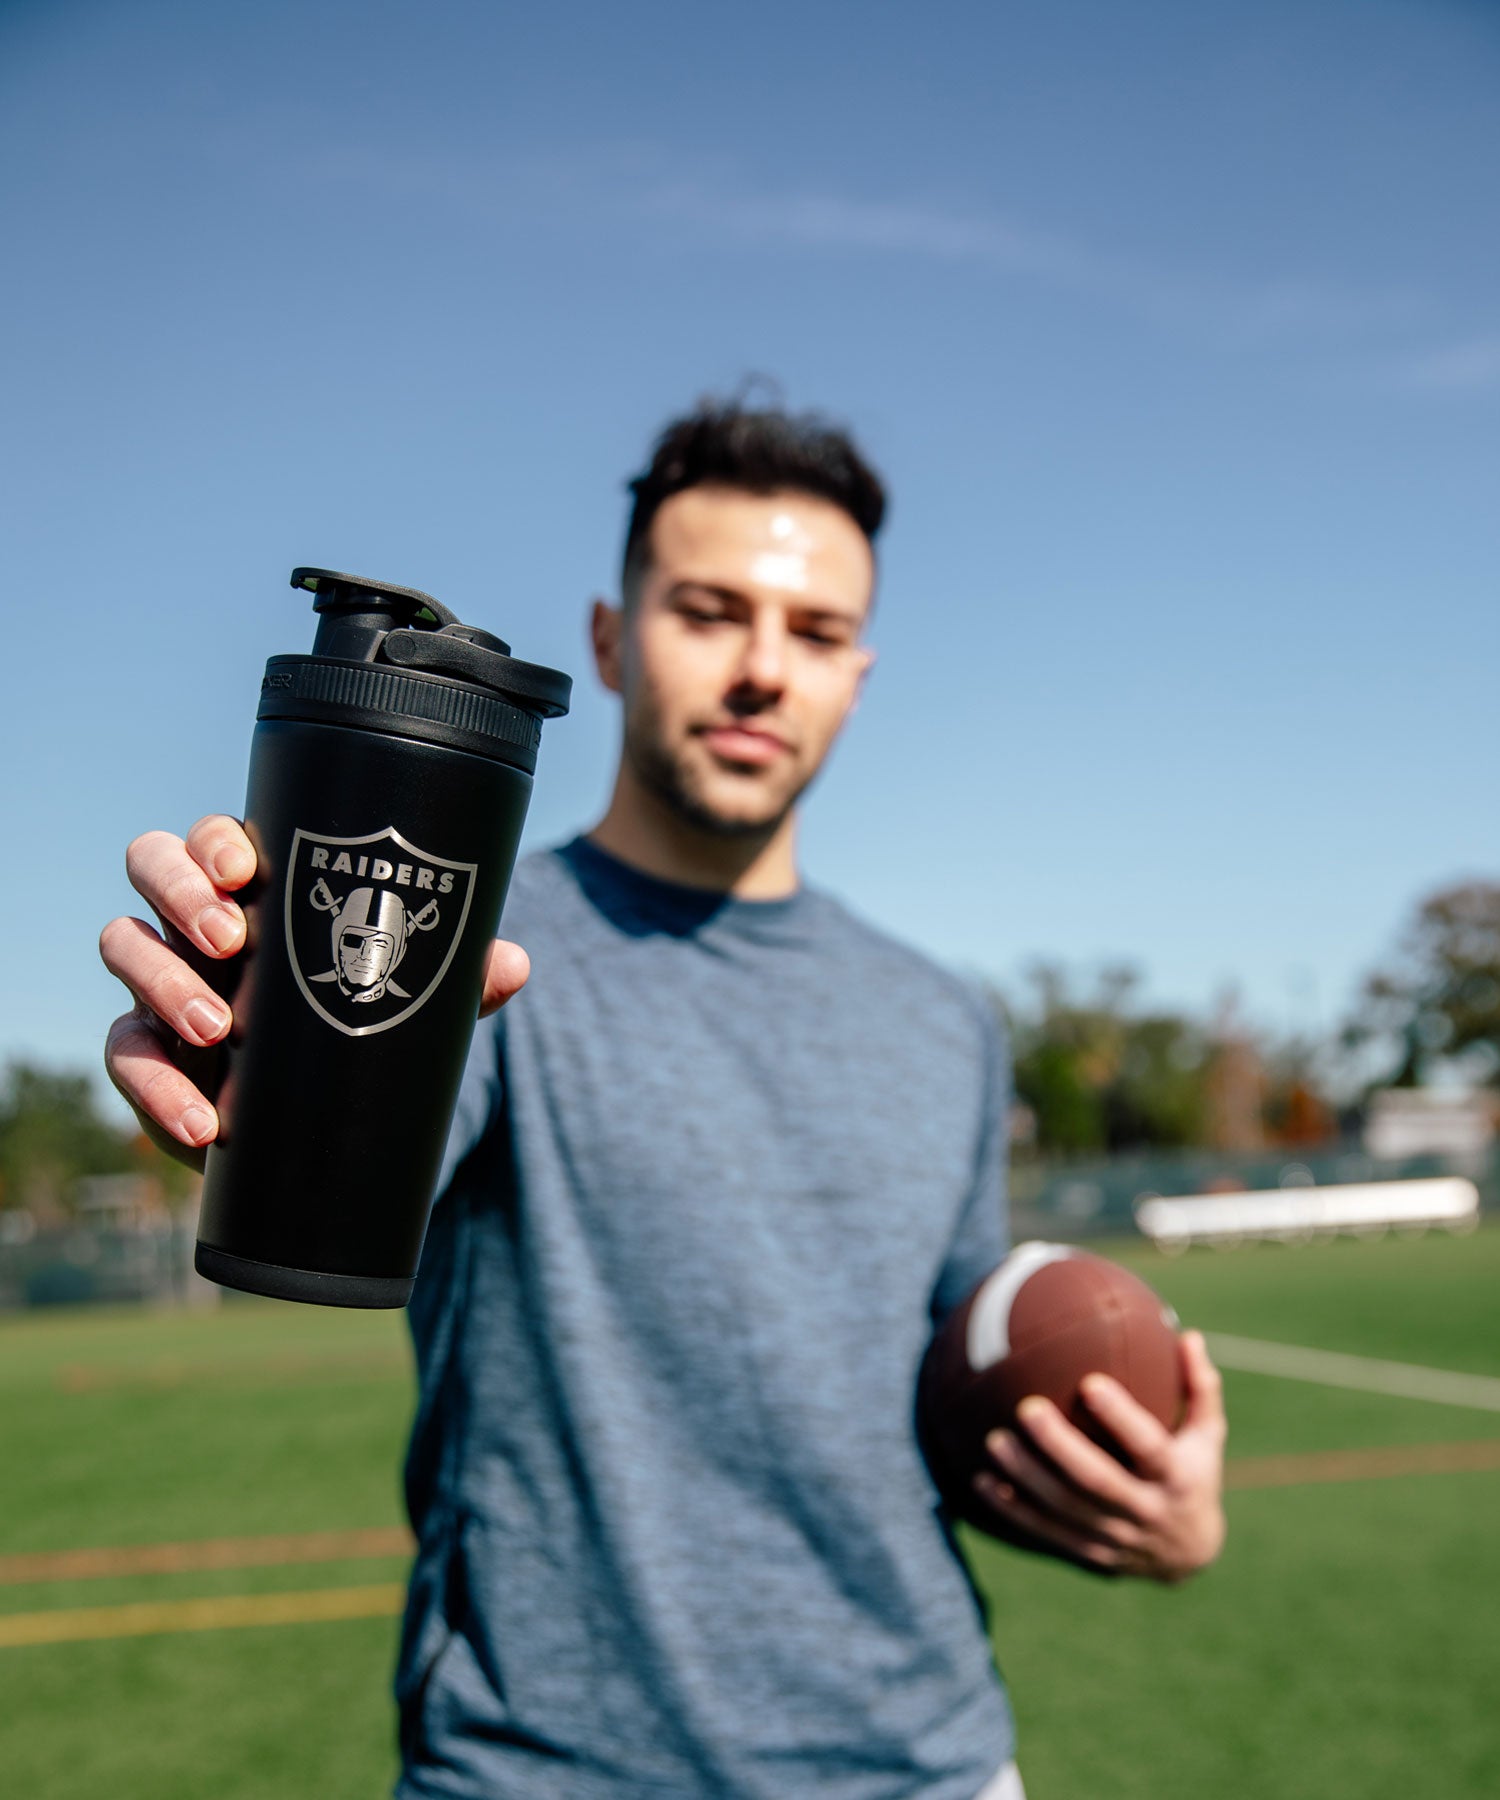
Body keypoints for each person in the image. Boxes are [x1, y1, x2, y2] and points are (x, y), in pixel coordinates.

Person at [101, 399, 1227, 1799]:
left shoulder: (946, 1020)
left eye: (813, 633)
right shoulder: (478, 948)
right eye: (709, 611)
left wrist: (1150, 1506)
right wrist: (243, 1034)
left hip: (926, 1764)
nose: (763, 669)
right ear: (610, 641)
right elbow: (336, 1108)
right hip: (543, 1773)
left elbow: (948, 1401)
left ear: (858, 679)